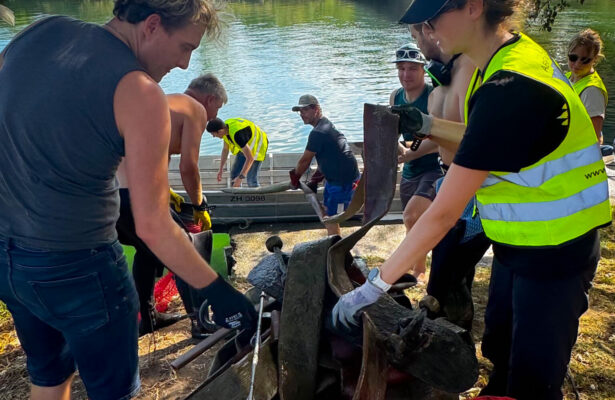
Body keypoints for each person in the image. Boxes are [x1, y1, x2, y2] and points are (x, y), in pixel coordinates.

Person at [333, 1, 611, 399]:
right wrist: (426, 123)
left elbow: (442, 213)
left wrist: (374, 287)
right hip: (521, 241)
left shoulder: (511, 86)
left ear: (473, 8)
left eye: (432, 19)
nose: (427, 30)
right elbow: (488, 137)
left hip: (557, 250)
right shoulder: (503, 58)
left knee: (534, 377)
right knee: (500, 343)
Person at [0, 2, 256, 400]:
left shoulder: (40, 32)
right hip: (80, 267)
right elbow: (152, 225)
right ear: (152, 26)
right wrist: (218, 291)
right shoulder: (140, 91)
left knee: (49, 379)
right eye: (185, 47)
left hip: (9, 261)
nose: (186, 65)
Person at [116, 72, 228, 338]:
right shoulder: (196, 109)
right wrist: (199, 204)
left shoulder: (165, 104)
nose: (213, 117)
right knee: (186, 248)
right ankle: (201, 322)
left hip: (112, 196)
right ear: (209, 98)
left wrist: (165, 191)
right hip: (137, 196)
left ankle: (149, 318)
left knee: (146, 252)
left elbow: (158, 159)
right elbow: (189, 167)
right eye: (217, 108)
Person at [409, 23, 490, 329]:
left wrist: (428, 126)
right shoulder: (438, 80)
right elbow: (437, 136)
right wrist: (411, 149)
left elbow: (477, 140)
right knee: (450, 274)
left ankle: (452, 333)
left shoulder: (469, 69)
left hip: (472, 190)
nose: (419, 44)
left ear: (431, 31)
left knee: (445, 275)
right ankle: (450, 329)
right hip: (449, 178)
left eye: (418, 36)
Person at [389, 42, 441, 280]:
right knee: (411, 221)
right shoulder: (395, 96)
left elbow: (439, 139)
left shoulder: (433, 96)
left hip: (434, 167)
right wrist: (396, 148)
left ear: (423, 70)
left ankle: (417, 269)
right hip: (409, 169)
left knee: (412, 216)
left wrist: (412, 151)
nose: (406, 75)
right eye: (401, 69)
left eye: (412, 69)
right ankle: (416, 265)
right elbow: (394, 135)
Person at [289, 94, 360, 236]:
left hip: (343, 183)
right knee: (328, 213)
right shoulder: (326, 124)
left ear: (316, 109)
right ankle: (334, 242)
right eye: (300, 112)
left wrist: (295, 177)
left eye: (305, 110)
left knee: (332, 218)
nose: (302, 114)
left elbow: (305, 161)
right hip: (335, 179)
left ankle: (336, 247)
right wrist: (315, 179)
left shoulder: (318, 133)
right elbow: (329, 156)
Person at [566, 29, 608, 145]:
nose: (578, 64)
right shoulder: (567, 77)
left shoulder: (592, 91)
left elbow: (594, 137)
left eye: (585, 60)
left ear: (595, 59)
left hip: (575, 153)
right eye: (573, 58)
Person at [206, 117, 269, 188]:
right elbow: (225, 149)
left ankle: (257, 197)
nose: (214, 136)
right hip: (245, 143)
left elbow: (250, 158)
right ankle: (238, 196)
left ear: (220, 131)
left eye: (213, 134)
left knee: (251, 180)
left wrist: (241, 177)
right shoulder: (225, 130)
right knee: (234, 174)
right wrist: (221, 169)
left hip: (258, 143)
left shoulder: (237, 135)